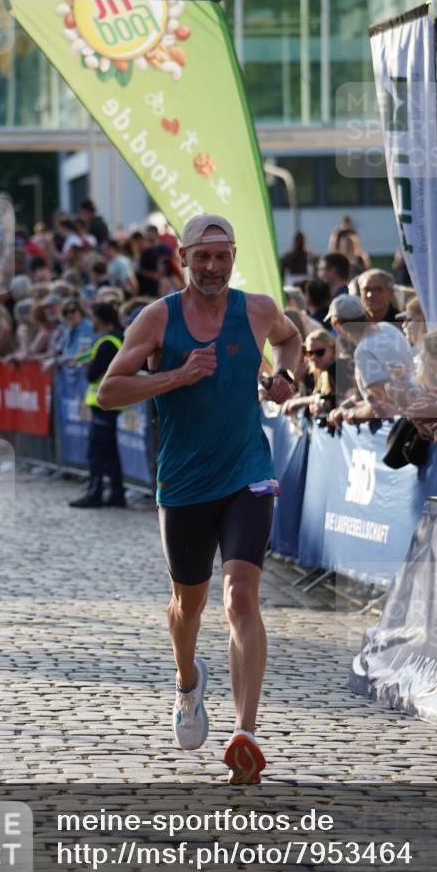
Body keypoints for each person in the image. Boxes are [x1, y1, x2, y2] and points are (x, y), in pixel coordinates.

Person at [96, 213, 301, 784]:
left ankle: (246, 733)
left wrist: (289, 379)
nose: (213, 267)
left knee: (241, 598)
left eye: (222, 256)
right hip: (184, 484)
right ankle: (188, 682)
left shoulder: (256, 309)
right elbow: (109, 391)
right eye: (202, 257)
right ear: (182, 258)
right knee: (188, 607)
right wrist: (174, 378)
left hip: (247, 473)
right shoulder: (157, 318)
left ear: (234, 256)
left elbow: (290, 341)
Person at [69, 302, 126, 509]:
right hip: (111, 403)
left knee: (97, 452)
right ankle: (117, 494)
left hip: (103, 403)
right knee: (110, 452)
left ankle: (95, 493)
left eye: (92, 317)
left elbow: (92, 374)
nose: (90, 321)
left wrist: (88, 367)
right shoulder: (114, 339)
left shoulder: (107, 343)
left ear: (101, 319)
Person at [326, 294, 414, 425]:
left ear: (336, 325)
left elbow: (381, 405)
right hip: (415, 413)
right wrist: (349, 406)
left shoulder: (363, 351)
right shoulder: (387, 328)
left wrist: (351, 414)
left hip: (405, 426)